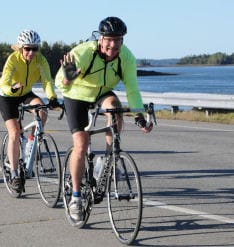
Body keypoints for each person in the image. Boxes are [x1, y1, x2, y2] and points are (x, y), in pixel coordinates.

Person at [55, 17, 153, 221]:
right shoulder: (82, 52)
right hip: (76, 94)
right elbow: (60, 84)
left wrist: (139, 115)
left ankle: (110, 157)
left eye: (118, 40)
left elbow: (132, 89)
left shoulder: (126, 57)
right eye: (109, 39)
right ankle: (75, 197)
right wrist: (67, 78)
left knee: (115, 108)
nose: (113, 44)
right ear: (101, 39)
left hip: (103, 93)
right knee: (81, 145)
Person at [0, 29, 59, 191]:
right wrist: (12, 89)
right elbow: (4, 82)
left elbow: (47, 81)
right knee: (15, 133)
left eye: (34, 48)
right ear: (20, 48)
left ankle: (31, 144)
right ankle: (15, 173)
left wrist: (52, 97)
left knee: (42, 112)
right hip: (8, 95)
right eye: (27, 49)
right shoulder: (13, 59)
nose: (31, 52)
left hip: (25, 93)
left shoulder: (40, 60)